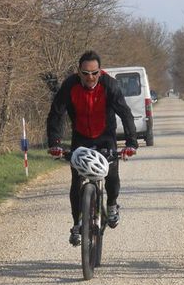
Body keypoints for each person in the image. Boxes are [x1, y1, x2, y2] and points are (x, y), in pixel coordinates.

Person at [47, 50, 138, 246]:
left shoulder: (109, 85)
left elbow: (125, 113)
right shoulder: (70, 86)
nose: (90, 77)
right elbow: (56, 114)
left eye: (94, 73)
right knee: (77, 181)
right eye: (86, 73)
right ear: (78, 71)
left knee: (111, 175)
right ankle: (77, 224)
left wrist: (131, 143)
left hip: (106, 137)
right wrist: (54, 143)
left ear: (100, 71)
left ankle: (112, 205)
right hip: (80, 137)